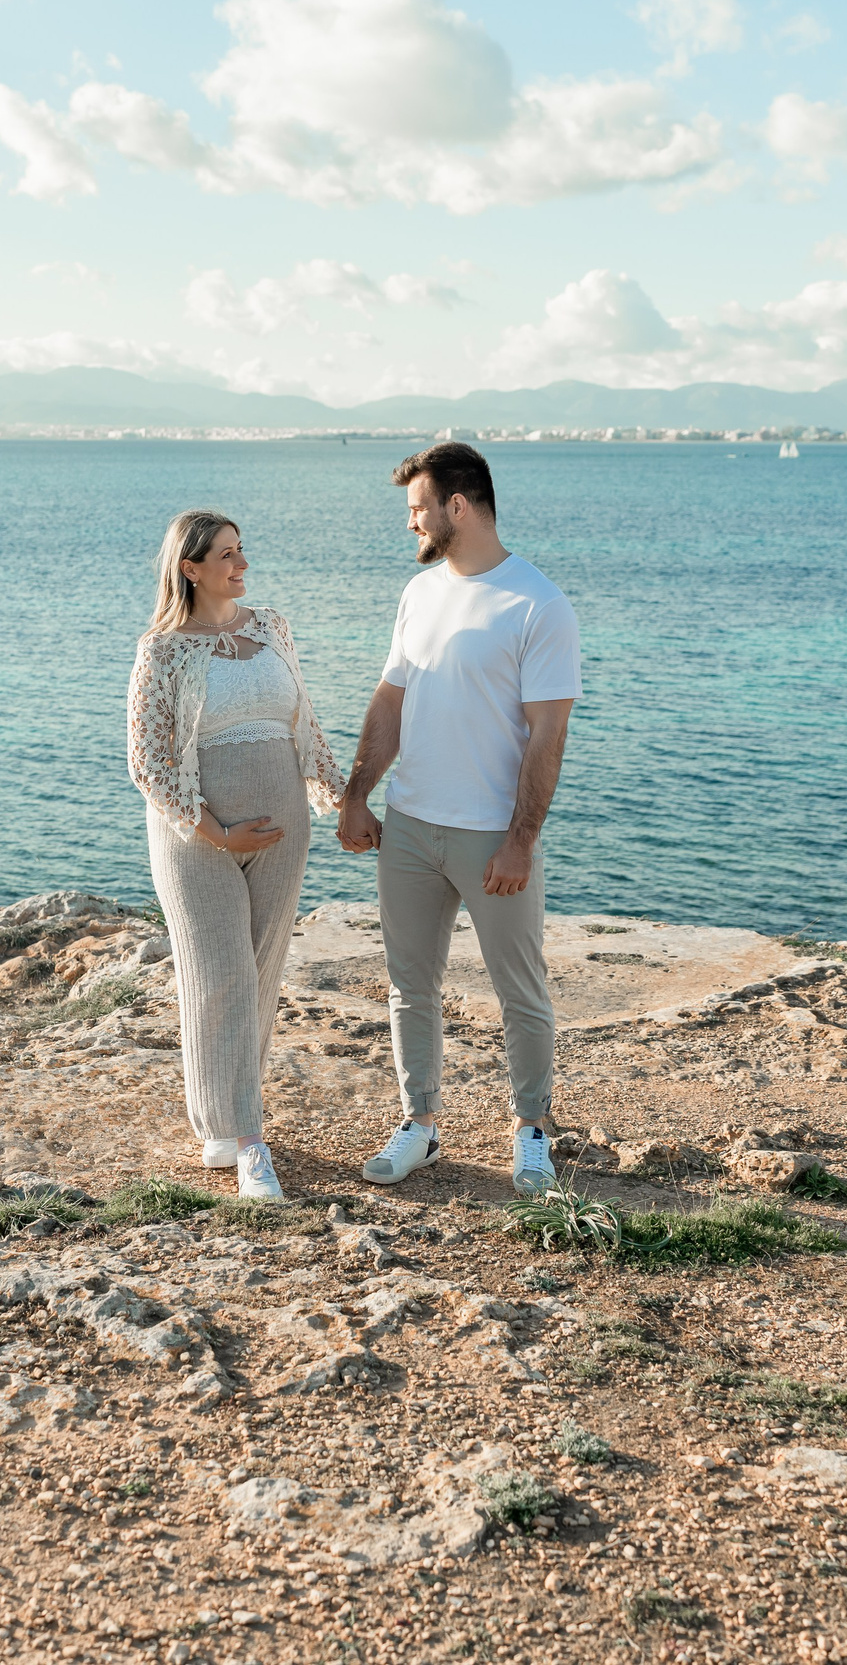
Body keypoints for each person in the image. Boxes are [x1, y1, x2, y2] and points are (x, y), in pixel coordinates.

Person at [337, 443, 581, 1192]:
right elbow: (392, 702)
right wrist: (356, 794)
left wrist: (519, 842)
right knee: (410, 984)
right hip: (409, 824)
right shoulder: (420, 596)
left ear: (459, 507)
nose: (410, 523)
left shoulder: (538, 604)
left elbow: (548, 733)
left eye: (418, 509)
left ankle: (532, 1131)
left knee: (520, 991)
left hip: (489, 838)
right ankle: (421, 1125)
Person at [128, 509, 348, 1201]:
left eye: (241, 551)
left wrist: (344, 798)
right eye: (225, 555)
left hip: (282, 831)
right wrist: (217, 831)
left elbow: (303, 721)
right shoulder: (161, 650)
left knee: (258, 974)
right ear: (189, 568)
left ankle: (228, 1124)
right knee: (218, 976)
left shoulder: (271, 626)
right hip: (198, 838)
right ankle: (248, 1142)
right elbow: (147, 760)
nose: (240, 564)